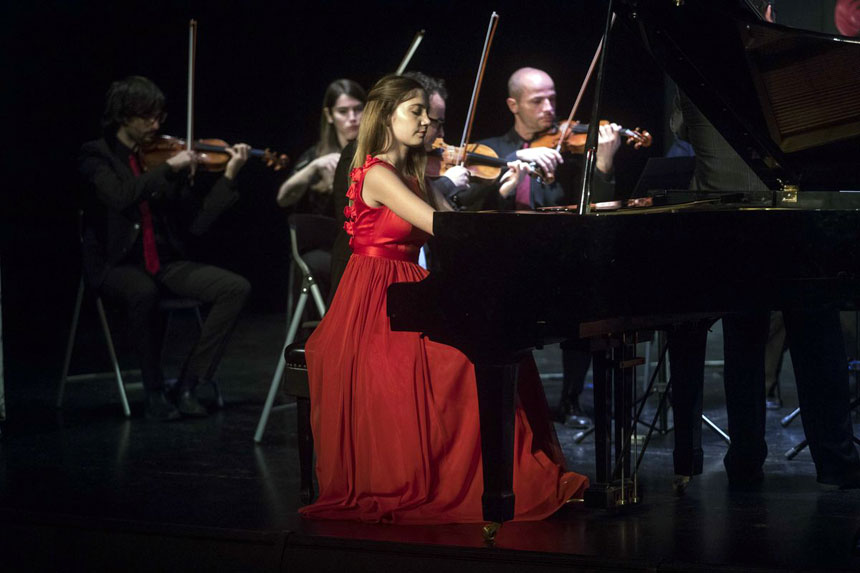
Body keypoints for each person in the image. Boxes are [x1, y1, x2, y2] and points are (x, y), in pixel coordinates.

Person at [300, 74, 587, 524]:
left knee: (491, 354)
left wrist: (513, 213)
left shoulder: (413, 175)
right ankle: (470, 484)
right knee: (462, 366)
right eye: (414, 111)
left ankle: (502, 481)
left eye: (427, 113)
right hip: (377, 297)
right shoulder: (376, 171)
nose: (426, 121)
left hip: (412, 289)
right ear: (385, 115)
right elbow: (443, 228)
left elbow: (463, 228)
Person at [79, 76, 252, 421]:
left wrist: (229, 175)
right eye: (148, 118)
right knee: (143, 291)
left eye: (159, 117)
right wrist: (167, 170)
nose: (157, 125)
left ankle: (188, 383)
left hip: (164, 263)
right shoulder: (96, 155)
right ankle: (154, 394)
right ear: (124, 116)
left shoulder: (162, 160)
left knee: (235, 288)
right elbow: (120, 196)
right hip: (117, 264)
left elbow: (198, 224)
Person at [479, 67, 622, 429]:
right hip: (502, 265)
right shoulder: (492, 151)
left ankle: (571, 400)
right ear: (513, 104)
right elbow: (471, 210)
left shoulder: (569, 153)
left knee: (588, 296)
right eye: (537, 100)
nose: (549, 108)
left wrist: (602, 165)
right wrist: (509, 177)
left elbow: (595, 216)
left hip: (556, 264)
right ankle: (504, 399)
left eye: (553, 98)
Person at [276, 79, 366, 214]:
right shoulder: (316, 155)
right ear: (329, 115)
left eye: (358, 109)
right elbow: (283, 199)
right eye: (343, 111)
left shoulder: (378, 152)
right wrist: (314, 166)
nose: (352, 117)